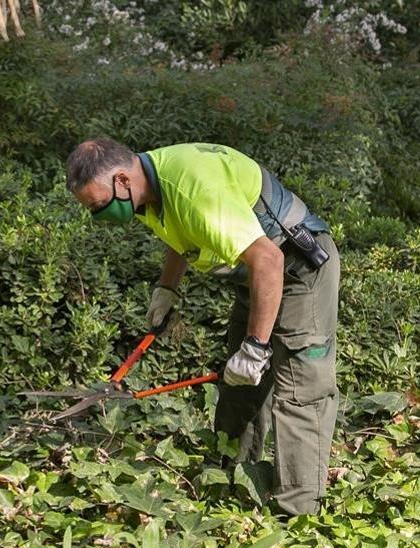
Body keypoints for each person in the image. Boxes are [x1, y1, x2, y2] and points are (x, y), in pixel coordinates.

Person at [66, 139, 340, 517]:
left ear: (123, 180)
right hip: (257, 274)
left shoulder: (193, 188)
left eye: (99, 206)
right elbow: (181, 235)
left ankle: (298, 516)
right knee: (239, 382)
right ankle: (231, 476)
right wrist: (167, 289)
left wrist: (257, 346)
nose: (99, 217)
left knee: (300, 387)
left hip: (296, 267)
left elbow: (268, 259)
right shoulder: (148, 191)